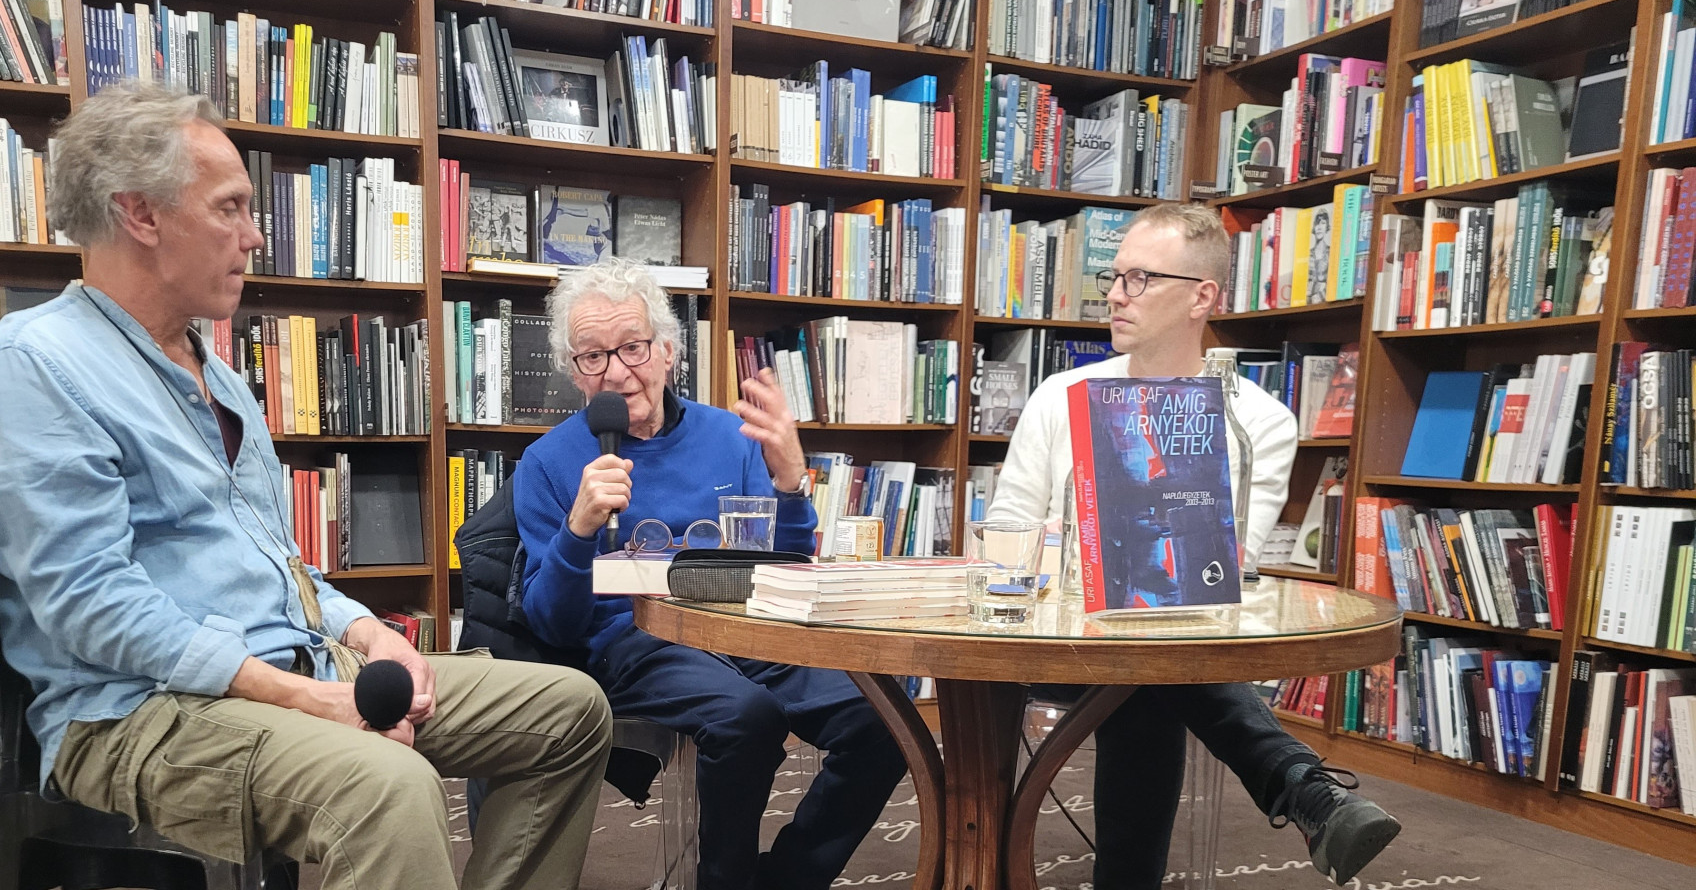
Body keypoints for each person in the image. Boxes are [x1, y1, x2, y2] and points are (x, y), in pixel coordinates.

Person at [0, 82, 612, 890]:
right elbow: (88, 604)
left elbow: (283, 567)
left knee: (570, 711)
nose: (255, 236)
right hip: (142, 714)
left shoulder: (221, 379)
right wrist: (302, 698)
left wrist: (369, 634)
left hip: (300, 665)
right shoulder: (32, 366)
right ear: (141, 214)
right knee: (387, 789)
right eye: (229, 208)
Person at [988, 203, 1401, 888]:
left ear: (1201, 297)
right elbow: (1007, 539)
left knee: (1150, 667)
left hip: (1175, 641)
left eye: (1141, 278)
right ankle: (1300, 785)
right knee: (1156, 667)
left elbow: (1227, 569)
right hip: (1058, 636)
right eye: (1115, 276)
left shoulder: (1258, 421)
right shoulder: (1062, 395)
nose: (1115, 295)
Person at [510, 258, 909, 890]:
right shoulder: (546, 462)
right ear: (573, 370)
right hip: (637, 641)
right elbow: (554, 626)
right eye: (593, 356)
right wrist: (578, 531)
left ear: (668, 352)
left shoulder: (730, 435)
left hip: (745, 623)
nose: (617, 370)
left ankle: (787, 880)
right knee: (745, 718)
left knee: (886, 717)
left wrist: (790, 484)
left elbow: (786, 567)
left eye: (633, 347)